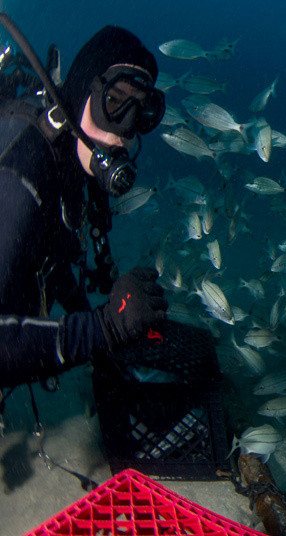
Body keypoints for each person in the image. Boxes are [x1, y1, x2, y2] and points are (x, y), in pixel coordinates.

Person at [0, 25, 168, 389]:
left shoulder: (70, 163)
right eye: (114, 100)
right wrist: (101, 329)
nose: (124, 129)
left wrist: (106, 328)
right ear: (81, 91)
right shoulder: (21, 171)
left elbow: (45, 256)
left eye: (141, 111)